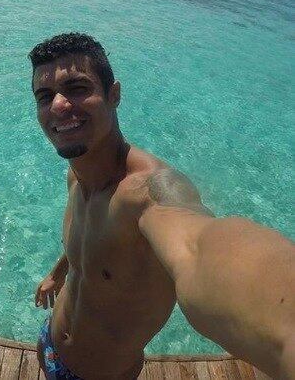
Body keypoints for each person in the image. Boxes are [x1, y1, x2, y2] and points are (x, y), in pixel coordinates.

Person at [29, 32, 294, 380]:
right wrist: (58, 272)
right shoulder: (77, 176)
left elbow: (199, 246)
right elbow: (89, 246)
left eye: (78, 88)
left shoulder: (148, 195)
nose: (59, 105)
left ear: (114, 95)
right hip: (50, 343)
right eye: (45, 96)